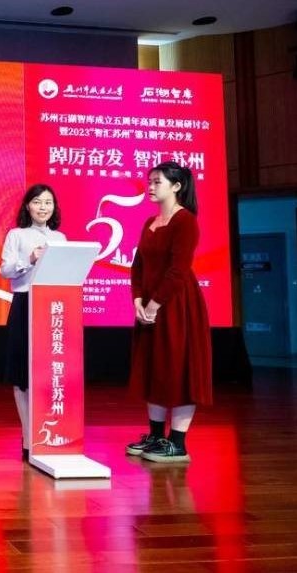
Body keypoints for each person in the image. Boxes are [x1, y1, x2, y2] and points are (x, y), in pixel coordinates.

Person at [125, 161, 212, 463]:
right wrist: (138, 299)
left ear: (176, 186)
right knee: (155, 368)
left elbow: (178, 270)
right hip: (151, 306)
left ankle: (177, 442)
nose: (150, 187)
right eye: (149, 181)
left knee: (179, 369)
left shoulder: (185, 221)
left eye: (157, 182)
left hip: (177, 306)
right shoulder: (150, 221)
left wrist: (154, 304)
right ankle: (156, 435)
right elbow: (138, 265)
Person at [0, 184, 65, 461]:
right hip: (25, 303)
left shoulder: (60, 238)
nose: (43, 207)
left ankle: (49, 431)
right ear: (28, 205)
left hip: (53, 308)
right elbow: (5, 270)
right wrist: (30, 258)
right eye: (37, 202)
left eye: (48, 202)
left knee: (49, 374)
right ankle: (28, 436)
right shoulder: (17, 235)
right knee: (22, 374)